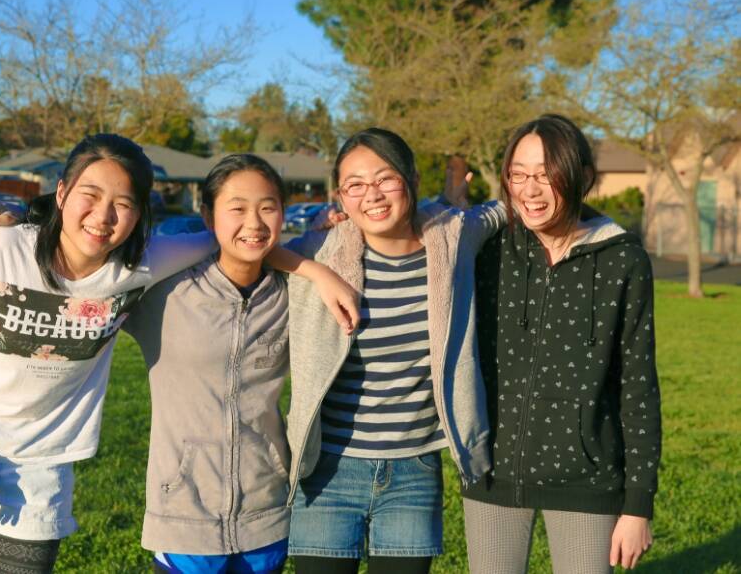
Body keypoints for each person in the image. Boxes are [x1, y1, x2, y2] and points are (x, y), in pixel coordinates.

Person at [0, 134, 221, 573]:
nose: (103, 216)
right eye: (90, 195)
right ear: (62, 193)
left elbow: (230, 237)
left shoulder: (141, 265)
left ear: (140, 213)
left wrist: (305, 259)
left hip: (40, 466)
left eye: (123, 203)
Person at [283, 128, 506, 574]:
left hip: (413, 472)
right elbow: (253, 248)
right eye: (355, 185)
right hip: (329, 470)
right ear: (340, 196)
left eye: (385, 178)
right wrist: (317, 273)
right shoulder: (324, 248)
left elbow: (510, 206)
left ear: (412, 179)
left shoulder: (453, 236)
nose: (372, 195)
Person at [461, 114, 661, 573]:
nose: (530, 190)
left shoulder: (623, 260)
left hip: (587, 479)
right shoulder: (490, 249)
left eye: (545, 175)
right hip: (492, 472)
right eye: (518, 174)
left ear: (582, 177)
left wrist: (638, 504)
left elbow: (638, 385)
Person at [123, 154, 303, 573]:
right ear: (208, 216)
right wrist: (19, 224)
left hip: (267, 510)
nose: (254, 223)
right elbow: (84, 259)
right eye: (237, 208)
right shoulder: (165, 290)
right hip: (184, 513)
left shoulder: (292, 292)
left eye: (268, 207)